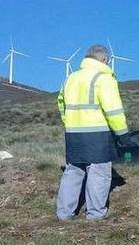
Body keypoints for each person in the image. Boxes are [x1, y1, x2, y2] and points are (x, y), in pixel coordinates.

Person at [55, 45, 129, 221]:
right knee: (99, 173)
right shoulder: (104, 79)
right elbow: (113, 110)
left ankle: (64, 213)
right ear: (104, 59)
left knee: (73, 172)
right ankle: (95, 215)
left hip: (73, 134)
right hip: (98, 135)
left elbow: (60, 104)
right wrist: (122, 133)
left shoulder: (70, 78)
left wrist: (70, 123)